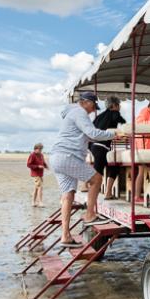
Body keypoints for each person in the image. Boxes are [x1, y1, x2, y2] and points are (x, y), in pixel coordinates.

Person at [51, 91, 118, 248]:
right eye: (94, 106)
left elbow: (86, 136)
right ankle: (89, 215)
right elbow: (92, 133)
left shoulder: (71, 114)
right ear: (86, 102)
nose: (94, 110)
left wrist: (104, 135)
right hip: (68, 157)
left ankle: (65, 236)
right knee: (96, 179)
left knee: (68, 195)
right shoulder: (79, 112)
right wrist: (114, 133)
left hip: (57, 157)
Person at [89, 96, 126, 199]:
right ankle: (92, 192)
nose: (119, 108)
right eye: (119, 105)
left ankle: (108, 193)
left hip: (93, 146)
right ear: (114, 105)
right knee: (98, 173)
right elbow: (122, 122)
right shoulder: (114, 113)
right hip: (102, 147)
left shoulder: (98, 117)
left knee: (113, 166)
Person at [27, 143, 48, 207]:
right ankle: (40, 202)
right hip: (36, 174)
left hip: (40, 173)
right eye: (39, 149)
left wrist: (46, 166)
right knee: (40, 187)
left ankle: (33, 202)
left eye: (41, 149)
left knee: (36, 188)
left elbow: (43, 162)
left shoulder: (41, 155)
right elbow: (29, 165)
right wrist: (38, 166)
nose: (40, 151)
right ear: (35, 149)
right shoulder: (32, 155)